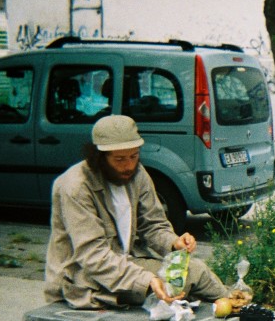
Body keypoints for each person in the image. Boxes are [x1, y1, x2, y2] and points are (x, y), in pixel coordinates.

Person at [45, 115, 228, 309]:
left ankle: (235, 304)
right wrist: (147, 280)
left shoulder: (137, 174)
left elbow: (153, 225)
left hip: (123, 264)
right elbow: (93, 256)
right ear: (99, 158)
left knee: (192, 273)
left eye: (134, 156)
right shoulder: (76, 186)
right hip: (84, 278)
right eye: (120, 159)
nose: (129, 166)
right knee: (187, 278)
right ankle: (234, 306)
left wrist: (174, 242)